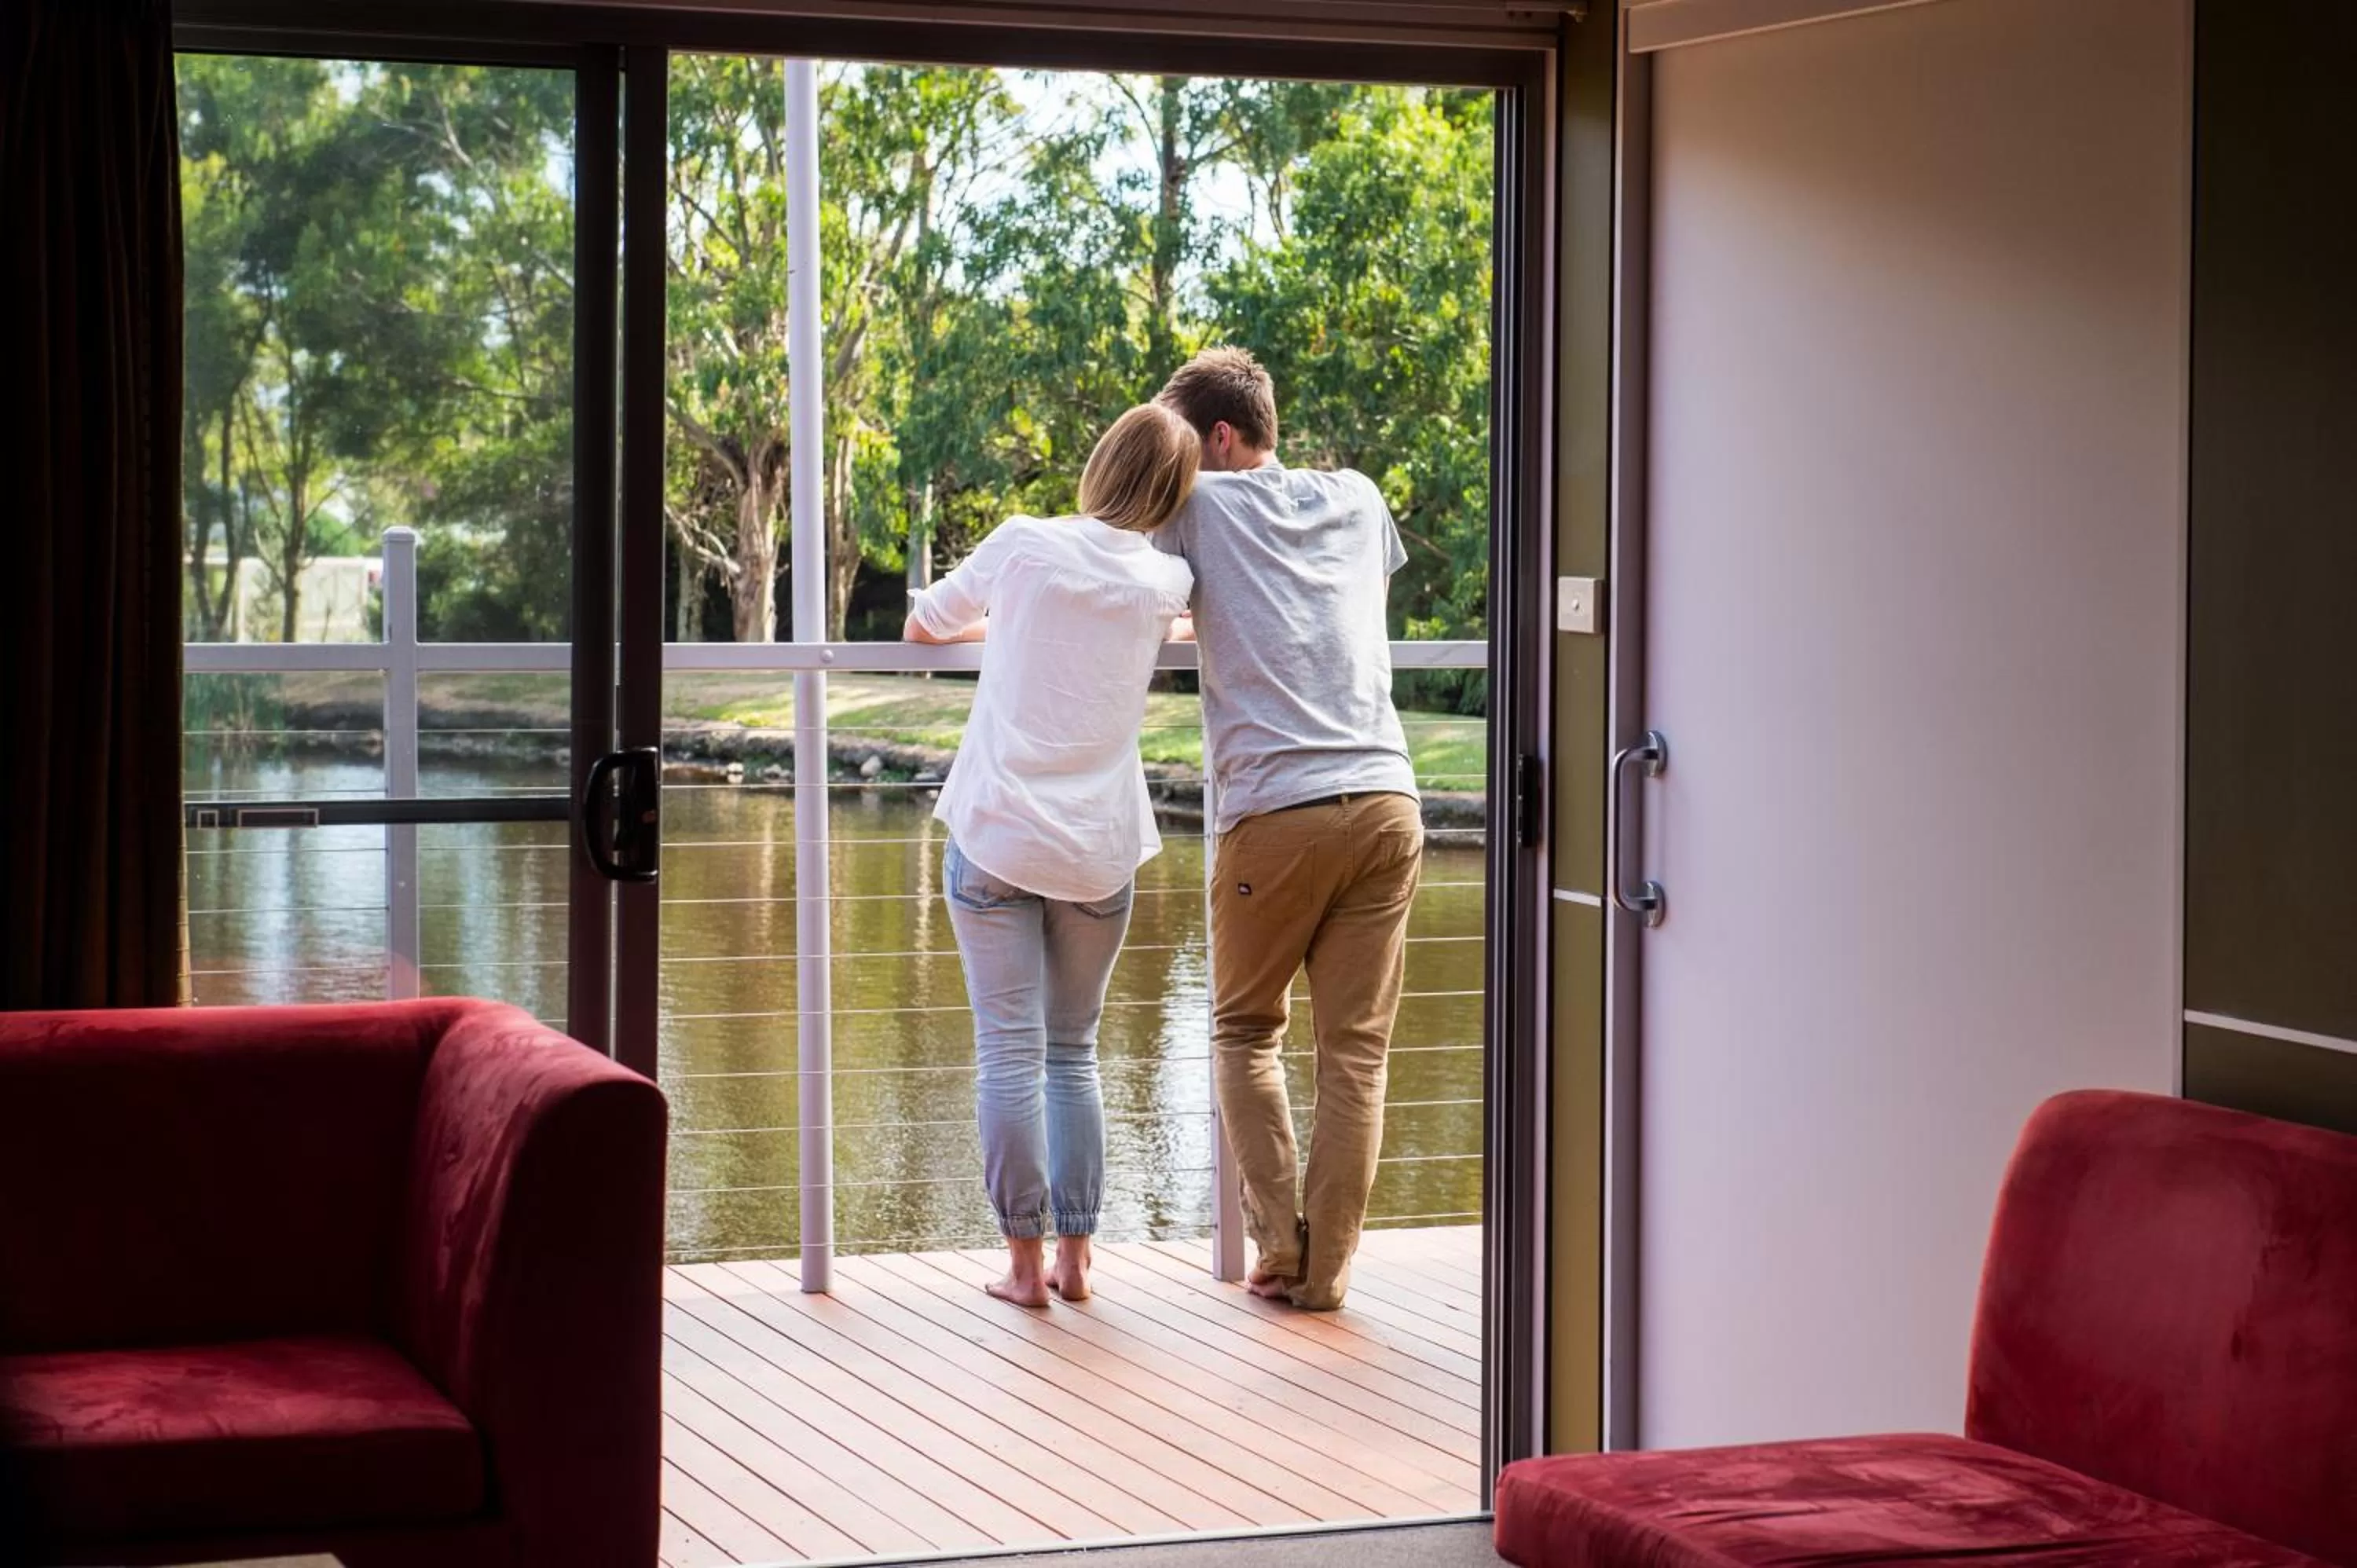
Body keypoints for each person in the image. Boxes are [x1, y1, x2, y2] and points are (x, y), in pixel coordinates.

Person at [904, 403, 1199, 1307]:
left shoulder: (1024, 544)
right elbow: (1179, 632)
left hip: (997, 835)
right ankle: (1076, 1261)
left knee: (1007, 1054)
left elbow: (925, 627)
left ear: (1102, 463)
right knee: (1073, 1053)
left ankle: (1022, 1268)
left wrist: (1008, 631)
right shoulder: (1166, 580)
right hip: (1099, 855)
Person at [1152, 346, 1424, 1311]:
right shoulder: (1357, 493)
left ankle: (1276, 1249)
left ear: (1219, 438)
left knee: (1241, 1029)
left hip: (1276, 806)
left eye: (1182, 444)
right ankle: (1328, 1277)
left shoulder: (1195, 507)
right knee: (1355, 1051)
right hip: (1390, 796)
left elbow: (1137, 599)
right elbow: (1338, 609)